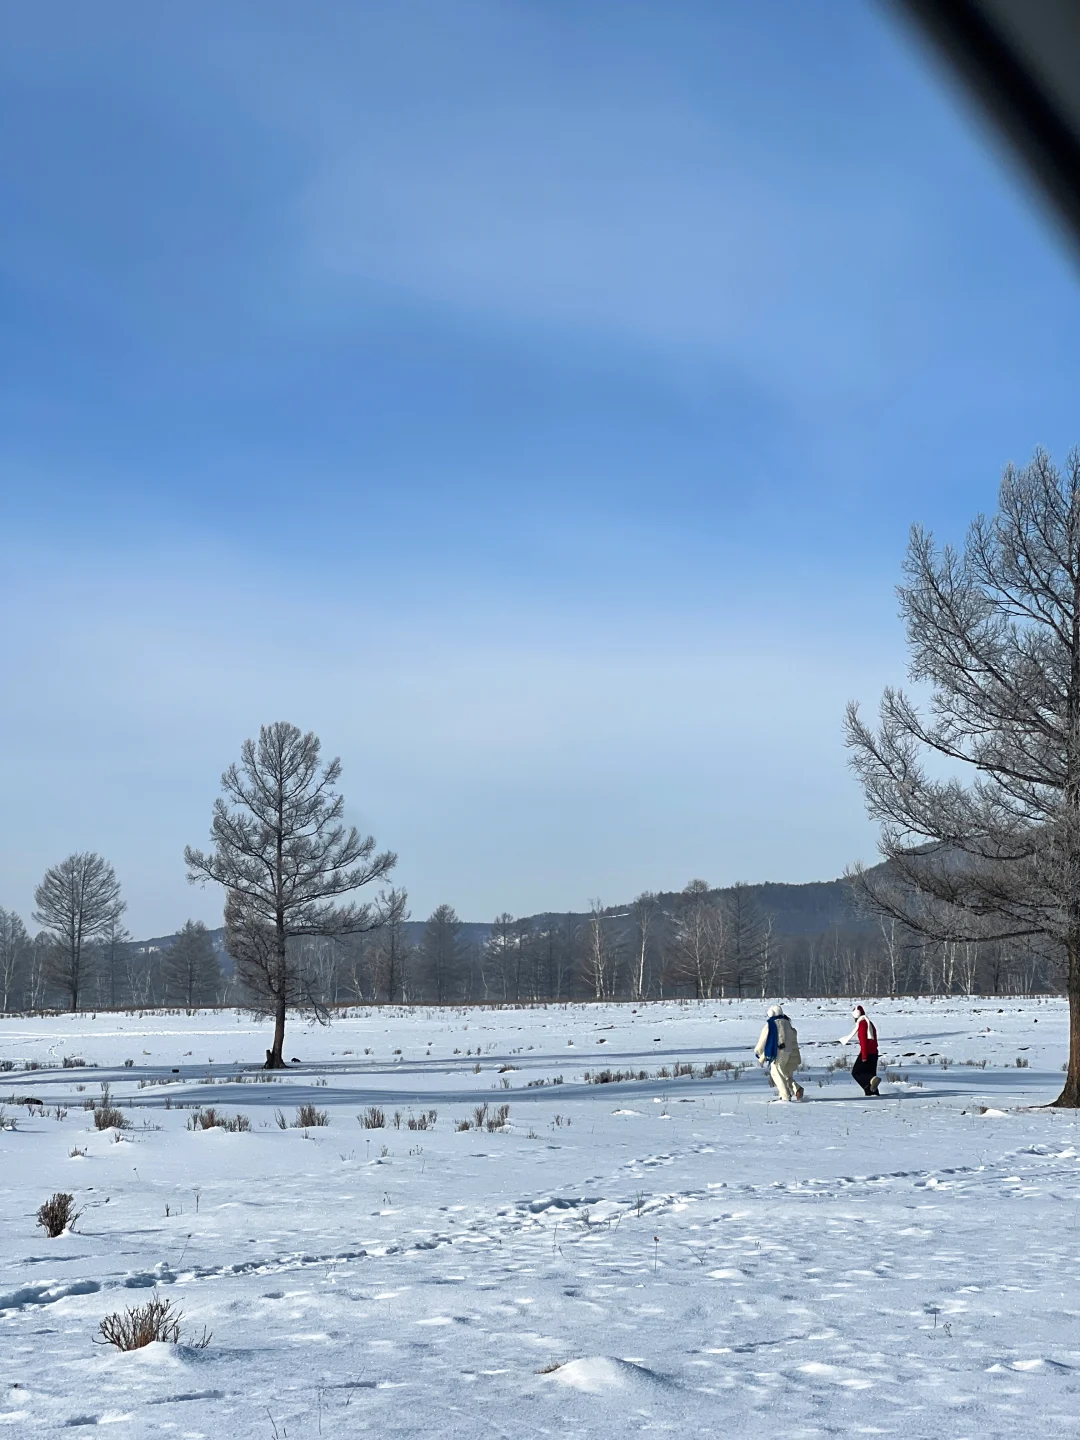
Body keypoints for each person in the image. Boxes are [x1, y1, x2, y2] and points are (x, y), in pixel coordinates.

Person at [754, 1004, 804, 1101]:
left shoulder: (770, 1024)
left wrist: (758, 1051)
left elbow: (763, 1039)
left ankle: (785, 1096)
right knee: (784, 1073)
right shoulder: (787, 1023)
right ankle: (797, 1089)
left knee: (776, 1073)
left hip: (777, 1052)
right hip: (788, 1052)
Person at [839, 1004, 880, 1096]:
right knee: (869, 1073)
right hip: (874, 1052)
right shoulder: (869, 1022)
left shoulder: (862, 1024)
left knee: (856, 1072)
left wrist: (864, 1055)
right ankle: (873, 1093)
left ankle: (871, 1080)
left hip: (867, 1053)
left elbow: (863, 1041)